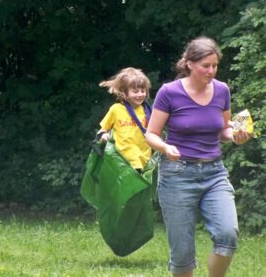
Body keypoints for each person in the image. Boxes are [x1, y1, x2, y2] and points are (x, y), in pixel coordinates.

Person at [145, 36, 253, 277]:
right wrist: (165, 148)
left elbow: (224, 129)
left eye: (215, 66)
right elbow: (151, 134)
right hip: (177, 175)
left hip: (214, 173)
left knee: (228, 236)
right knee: (182, 255)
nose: (211, 71)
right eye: (206, 66)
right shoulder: (169, 92)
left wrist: (236, 135)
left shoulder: (222, 90)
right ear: (190, 64)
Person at [98, 67, 152, 171]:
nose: (140, 94)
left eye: (143, 91)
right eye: (135, 91)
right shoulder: (116, 109)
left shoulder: (148, 111)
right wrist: (103, 136)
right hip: (123, 160)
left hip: (145, 158)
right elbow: (102, 130)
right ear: (124, 92)